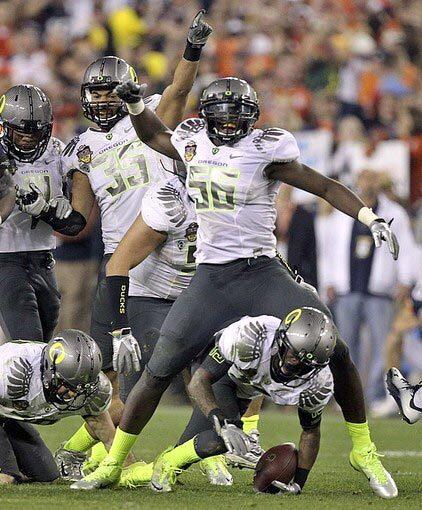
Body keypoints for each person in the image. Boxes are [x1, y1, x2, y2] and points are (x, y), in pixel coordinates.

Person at [72, 76, 399, 499]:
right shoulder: (193, 143)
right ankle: (114, 462)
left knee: (335, 348)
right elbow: (153, 134)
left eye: (236, 118)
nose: (228, 126)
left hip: (262, 272)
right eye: (220, 119)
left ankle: (363, 450)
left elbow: (324, 186)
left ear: (251, 118)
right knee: (159, 369)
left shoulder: (265, 151)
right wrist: (135, 104)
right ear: (205, 119)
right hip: (212, 277)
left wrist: (368, 217)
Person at [53, 13, 213, 448]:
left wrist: (192, 48)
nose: (103, 101)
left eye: (110, 92)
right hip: (119, 264)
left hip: (169, 253)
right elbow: (77, 222)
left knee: (189, 361)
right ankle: (84, 450)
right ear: (84, 97)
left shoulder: (148, 118)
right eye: (96, 93)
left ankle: (210, 447)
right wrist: (46, 209)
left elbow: (179, 89)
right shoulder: (79, 150)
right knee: (105, 378)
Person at [322, 169, 415, 406]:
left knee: (383, 346)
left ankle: (376, 396)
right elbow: (329, 248)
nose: (368, 184)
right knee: (345, 346)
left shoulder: (396, 213)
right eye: (365, 179)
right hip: (347, 288)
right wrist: (329, 280)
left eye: (373, 179)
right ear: (358, 182)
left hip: (380, 291)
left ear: (379, 182)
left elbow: (406, 248)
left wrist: (405, 279)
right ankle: (346, 396)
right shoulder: (343, 210)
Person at [0, 84, 71, 342]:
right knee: (27, 341)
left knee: (44, 337)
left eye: (35, 130)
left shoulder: (57, 152)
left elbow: (74, 218)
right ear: (6, 128)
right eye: (20, 131)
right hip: (5, 256)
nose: (28, 137)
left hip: (43, 256)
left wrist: (56, 207)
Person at [0, 329, 114, 484]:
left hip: (6, 416)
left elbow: (105, 431)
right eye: (68, 385)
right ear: (49, 370)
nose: (73, 395)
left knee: (46, 477)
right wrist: (7, 468)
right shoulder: (11, 367)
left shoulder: (94, 388)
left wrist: (122, 466)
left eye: (80, 388)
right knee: (7, 477)